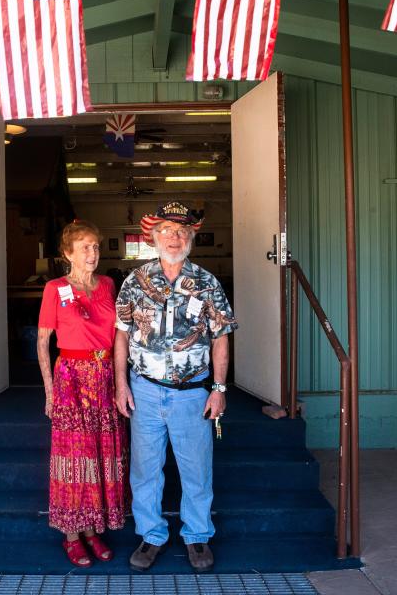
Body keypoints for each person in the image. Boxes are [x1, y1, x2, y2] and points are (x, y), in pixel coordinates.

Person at [114, 201, 237, 573]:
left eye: (182, 231)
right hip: (146, 390)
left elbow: (220, 338)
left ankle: (197, 535)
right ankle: (151, 535)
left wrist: (219, 388)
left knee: (196, 468)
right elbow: (120, 337)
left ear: (191, 238)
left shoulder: (207, 282)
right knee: (145, 469)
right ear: (153, 237)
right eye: (167, 230)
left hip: (193, 393)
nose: (175, 237)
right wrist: (120, 384)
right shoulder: (135, 282)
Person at [37, 220, 128, 567]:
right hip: (71, 379)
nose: (92, 253)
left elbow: (120, 333)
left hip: (104, 377)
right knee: (74, 459)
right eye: (85, 247)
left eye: (96, 246)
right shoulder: (54, 288)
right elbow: (43, 342)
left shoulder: (107, 284)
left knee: (101, 456)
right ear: (67, 253)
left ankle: (92, 529)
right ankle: (72, 535)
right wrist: (49, 392)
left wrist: (123, 381)